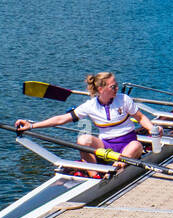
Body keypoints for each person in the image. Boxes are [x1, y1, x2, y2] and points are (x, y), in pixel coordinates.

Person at [15, 71, 160, 170]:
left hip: (128, 145)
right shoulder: (90, 106)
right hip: (106, 146)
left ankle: (116, 169)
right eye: (113, 86)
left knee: (136, 145)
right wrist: (32, 125)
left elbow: (140, 118)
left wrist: (152, 129)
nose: (117, 88)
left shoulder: (124, 100)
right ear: (101, 89)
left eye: (116, 85)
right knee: (83, 139)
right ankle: (94, 173)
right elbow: (62, 119)